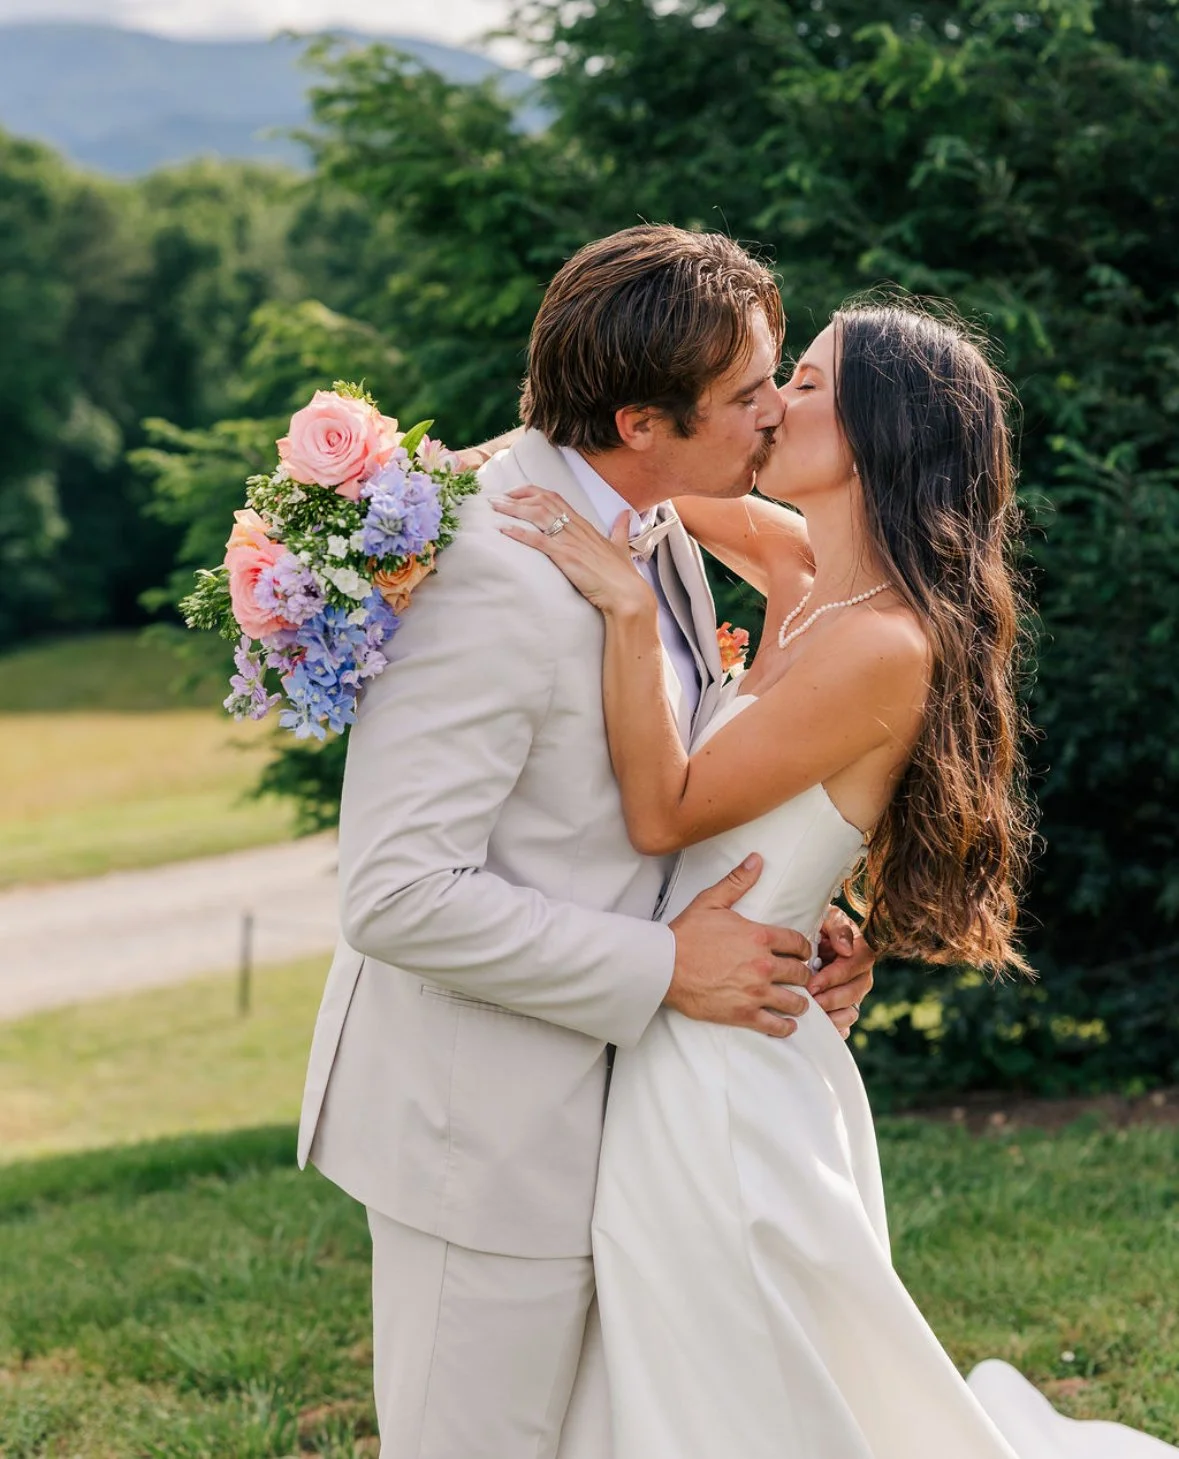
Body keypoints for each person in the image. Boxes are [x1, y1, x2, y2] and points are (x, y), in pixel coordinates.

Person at [495, 303, 1177, 1459]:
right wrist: (418, 487)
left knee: (735, 1370)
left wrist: (622, 608)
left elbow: (666, 809)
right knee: (714, 1362)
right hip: (707, 1019)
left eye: (801, 384)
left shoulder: (883, 644)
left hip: (723, 1066)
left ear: (876, 430)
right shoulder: (801, 563)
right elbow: (630, 469)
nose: (768, 405)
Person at [296, 225, 874, 1459]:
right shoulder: (488, 571)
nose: (775, 413)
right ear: (638, 420)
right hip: (485, 1132)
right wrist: (673, 967)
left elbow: (633, 796)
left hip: (622, 1117)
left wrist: (785, 918)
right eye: (747, 394)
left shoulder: (651, 511)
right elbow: (397, 894)